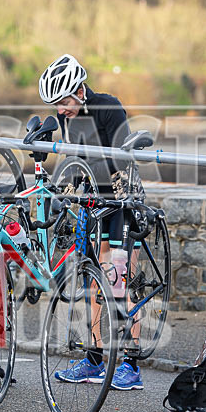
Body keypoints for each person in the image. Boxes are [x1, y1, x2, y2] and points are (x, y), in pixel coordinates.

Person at [38, 54, 143, 390]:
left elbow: (120, 158)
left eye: (64, 102)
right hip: (92, 202)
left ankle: (130, 362)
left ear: (80, 91)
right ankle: (96, 357)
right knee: (94, 283)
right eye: (56, 105)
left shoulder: (108, 107)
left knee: (121, 281)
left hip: (121, 199)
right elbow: (75, 158)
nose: (61, 110)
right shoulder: (68, 116)